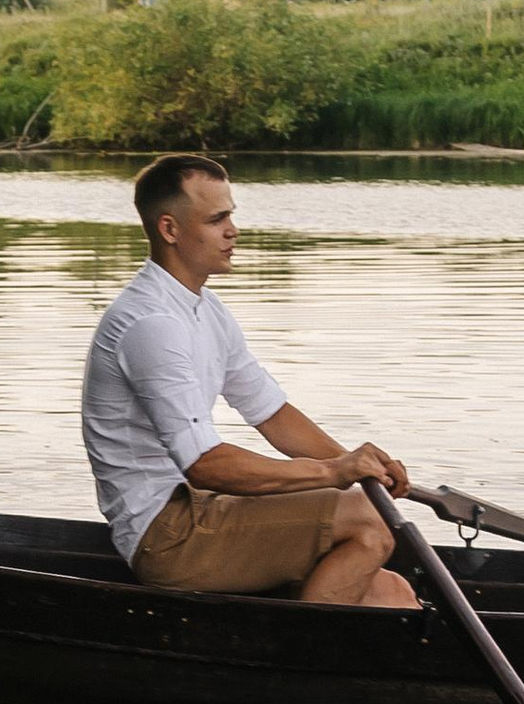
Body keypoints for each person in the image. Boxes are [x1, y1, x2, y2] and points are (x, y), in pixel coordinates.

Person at [82, 155, 415, 607]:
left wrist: (359, 465)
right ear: (170, 230)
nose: (233, 230)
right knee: (369, 522)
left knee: (391, 594)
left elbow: (273, 415)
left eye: (231, 215)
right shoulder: (152, 324)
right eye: (217, 219)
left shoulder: (207, 311)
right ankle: (297, 667)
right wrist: (335, 473)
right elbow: (205, 464)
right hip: (166, 537)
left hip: (206, 510)